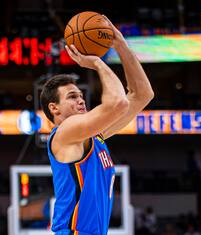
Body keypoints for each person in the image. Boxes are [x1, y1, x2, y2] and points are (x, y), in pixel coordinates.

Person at [40, 17, 154, 235]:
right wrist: (97, 62)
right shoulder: (65, 132)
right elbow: (118, 103)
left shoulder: (94, 137)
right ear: (54, 109)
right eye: (73, 97)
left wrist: (120, 44)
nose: (81, 101)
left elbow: (142, 95)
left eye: (81, 96)